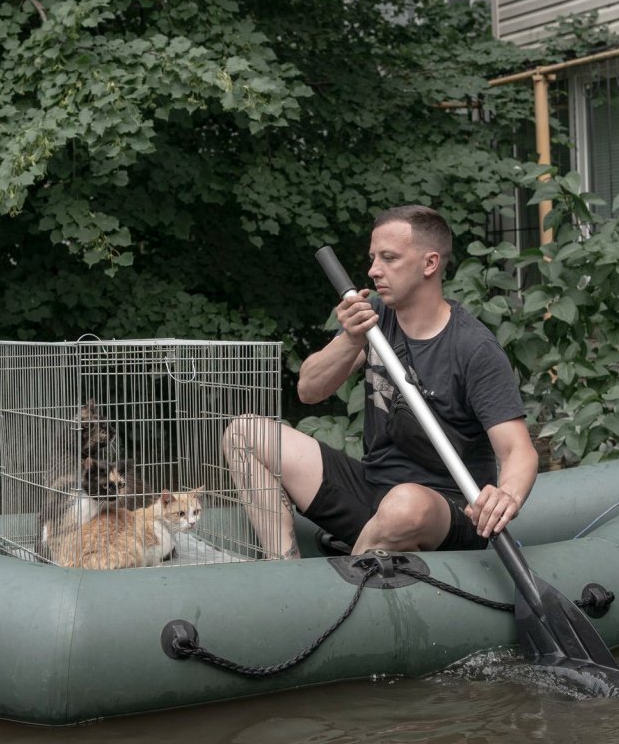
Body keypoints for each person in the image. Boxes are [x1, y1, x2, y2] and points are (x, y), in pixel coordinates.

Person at [224, 205, 536, 559]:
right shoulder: (375, 319)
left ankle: (337, 596)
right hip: (373, 491)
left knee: (404, 504)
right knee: (244, 432)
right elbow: (309, 390)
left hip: (445, 510)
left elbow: (518, 450)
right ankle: (284, 570)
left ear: (429, 264)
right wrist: (352, 338)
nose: (374, 270)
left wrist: (505, 493)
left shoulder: (472, 348)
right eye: (373, 258)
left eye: (389, 258)